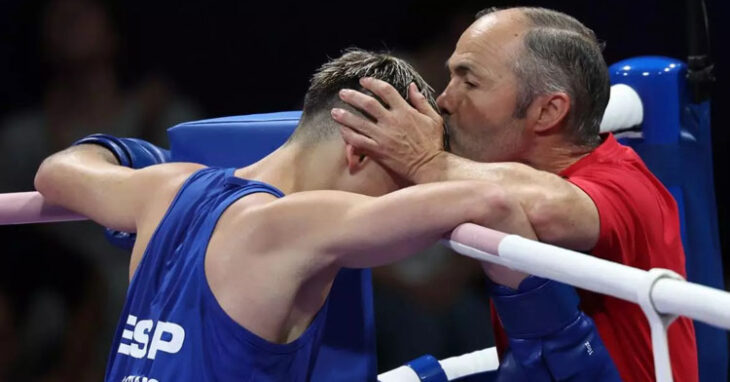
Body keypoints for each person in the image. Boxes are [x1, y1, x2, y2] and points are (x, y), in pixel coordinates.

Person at [33, 49, 571, 381]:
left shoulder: (161, 190)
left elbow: (58, 171)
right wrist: (430, 160)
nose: (403, 190)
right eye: (401, 172)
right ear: (361, 150)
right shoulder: (302, 224)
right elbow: (499, 201)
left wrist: (138, 157)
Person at [332, 6, 698, 382]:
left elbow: (551, 207)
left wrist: (426, 161)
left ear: (547, 112)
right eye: (451, 76)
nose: (444, 99)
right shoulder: (496, 173)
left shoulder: (625, 186)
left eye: (469, 82)